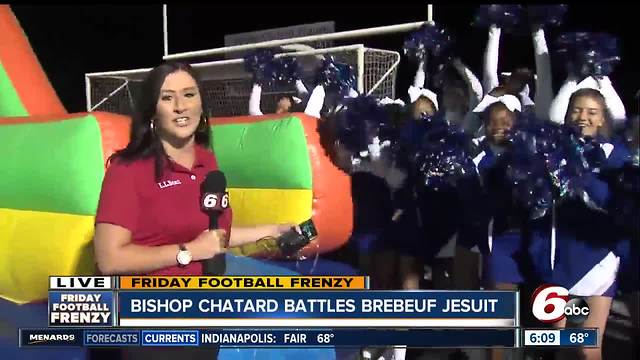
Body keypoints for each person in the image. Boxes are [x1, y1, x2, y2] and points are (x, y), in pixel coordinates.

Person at [93, 61, 297, 360]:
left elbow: (213, 237)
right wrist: (187, 252)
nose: (180, 106)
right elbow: (109, 259)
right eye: (167, 97)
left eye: (189, 95)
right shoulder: (128, 170)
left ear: (202, 104)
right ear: (152, 110)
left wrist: (272, 231)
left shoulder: (207, 163)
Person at [537, 88, 626, 360]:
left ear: (602, 120)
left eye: (591, 112)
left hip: (598, 260)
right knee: (563, 344)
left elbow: (615, 203)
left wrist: (581, 174)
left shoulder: (614, 155)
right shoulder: (550, 152)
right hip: (559, 257)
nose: (582, 117)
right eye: (576, 110)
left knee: (588, 348)